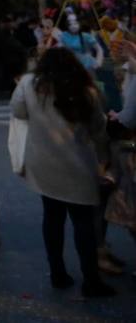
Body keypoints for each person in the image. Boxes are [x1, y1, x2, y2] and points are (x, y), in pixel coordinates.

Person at [11, 46, 116, 297]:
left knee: (52, 218)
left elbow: (18, 111)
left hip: (43, 164)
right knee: (84, 223)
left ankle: (57, 272)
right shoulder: (87, 90)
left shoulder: (29, 84)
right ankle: (91, 280)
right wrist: (104, 160)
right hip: (79, 166)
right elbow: (98, 130)